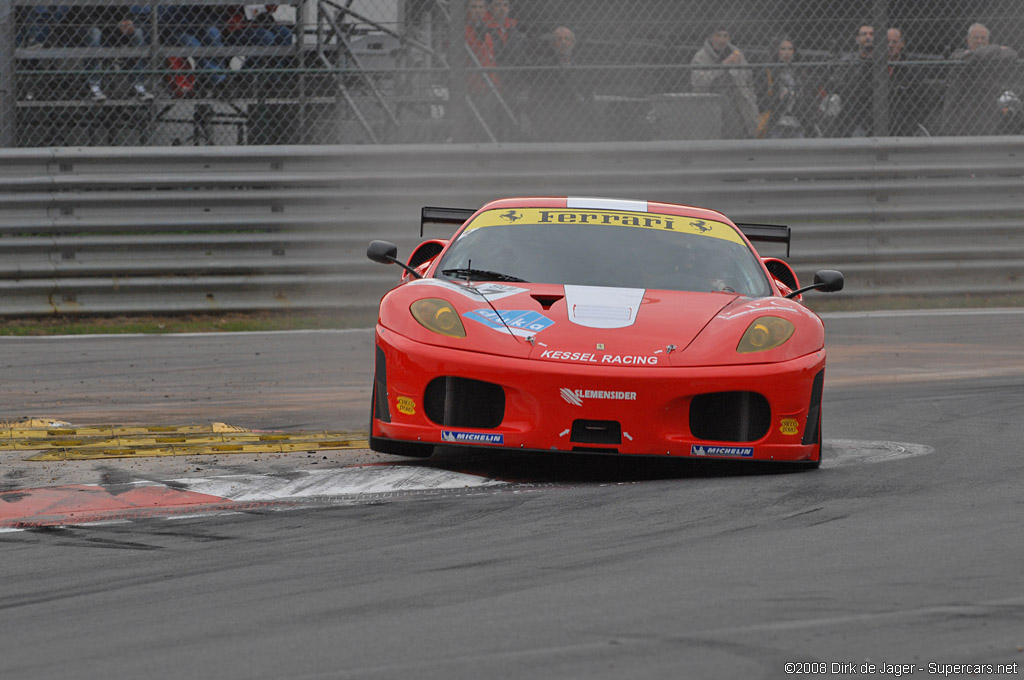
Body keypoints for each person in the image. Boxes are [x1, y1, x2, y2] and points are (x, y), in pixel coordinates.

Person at [942, 23, 1020, 136]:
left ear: (988, 40)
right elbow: (967, 58)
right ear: (968, 40)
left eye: (983, 38)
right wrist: (996, 49)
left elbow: (1011, 54)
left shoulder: (989, 60)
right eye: (976, 38)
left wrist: (979, 54)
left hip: (985, 117)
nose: (979, 41)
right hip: (959, 116)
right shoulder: (957, 54)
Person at [525, 26, 595, 141]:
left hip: (576, 120)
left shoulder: (582, 67)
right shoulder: (543, 67)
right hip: (550, 119)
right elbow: (535, 97)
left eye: (567, 39)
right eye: (559, 39)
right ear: (553, 44)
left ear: (572, 43)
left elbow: (588, 96)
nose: (563, 42)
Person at [72, 5, 154, 102]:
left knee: (138, 33)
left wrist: (127, 21)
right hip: (88, 26)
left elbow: (123, 8)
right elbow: (82, 15)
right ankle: (94, 86)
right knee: (94, 33)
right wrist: (115, 25)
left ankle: (138, 85)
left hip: (113, 28)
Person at [690, 25, 759, 139]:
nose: (722, 40)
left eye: (725, 36)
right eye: (718, 36)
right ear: (710, 37)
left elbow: (748, 79)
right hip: (711, 106)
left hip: (738, 105)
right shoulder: (701, 57)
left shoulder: (737, 54)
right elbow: (698, 83)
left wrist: (751, 98)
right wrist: (723, 66)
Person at [756, 36, 814, 138]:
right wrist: (778, 97)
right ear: (776, 51)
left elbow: (807, 98)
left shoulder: (800, 72)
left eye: (790, 49)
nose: (787, 53)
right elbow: (760, 101)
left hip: (797, 121)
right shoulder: (768, 72)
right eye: (783, 49)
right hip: (775, 122)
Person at [826, 23, 874, 137]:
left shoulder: (882, 62)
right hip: (851, 110)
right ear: (857, 39)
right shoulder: (847, 62)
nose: (868, 37)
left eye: (871, 34)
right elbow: (836, 85)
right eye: (864, 34)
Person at [886, 27, 925, 136]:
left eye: (894, 42)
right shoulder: (874, 67)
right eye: (887, 42)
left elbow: (916, 101)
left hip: (904, 123)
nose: (890, 45)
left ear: (902, 44)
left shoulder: (912, 69)